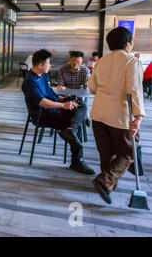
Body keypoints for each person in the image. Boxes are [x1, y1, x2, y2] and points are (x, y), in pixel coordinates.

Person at [88, 27, 146, 204]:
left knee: (106, 152)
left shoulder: (101, 62)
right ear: (128, 43)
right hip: (120, 117)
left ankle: (107, 183)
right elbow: (135, 90)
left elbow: (92, 87)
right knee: (128, 152)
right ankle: (105, 181)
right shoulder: (132, 61)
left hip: (98, 114)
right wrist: (138, 117)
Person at [22, 49, 95, 174]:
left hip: (54, 110)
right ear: (41, 65)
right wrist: (62, 105)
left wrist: (62, 99)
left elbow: (50, 92)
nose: (50, 65)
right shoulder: (29, 82)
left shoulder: (43, 75)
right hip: (42, 114)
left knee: (81, 106)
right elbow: (42, 102)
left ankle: (69, 131)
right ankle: (77, 160)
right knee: (71, 120)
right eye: (49, 63)